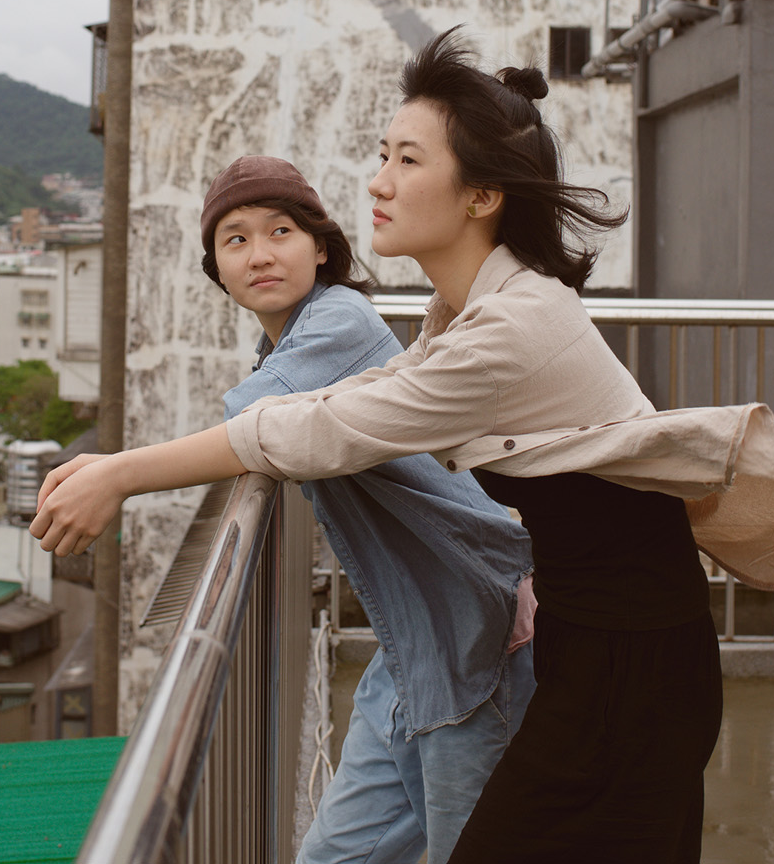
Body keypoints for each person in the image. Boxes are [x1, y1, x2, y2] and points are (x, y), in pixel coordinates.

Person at [33, 30, 774, 861]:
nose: (378, 181)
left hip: (632, 668)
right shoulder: (477, 309)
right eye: (382, 154)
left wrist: (120, 472)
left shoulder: (510, 326)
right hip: (596, 643)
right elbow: (358, 400)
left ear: (482, 195)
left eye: (408, 161)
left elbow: (319, 428)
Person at [194, 155, 536, 864]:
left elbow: (250, 426)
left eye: (279, 230)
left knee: (468, 846)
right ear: (217, 269)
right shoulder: (285, 342)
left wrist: (110, 476)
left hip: (470, 632)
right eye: (235, 239)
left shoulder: (340, 320)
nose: (259, 253)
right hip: (412, 642)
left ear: (320, 247)